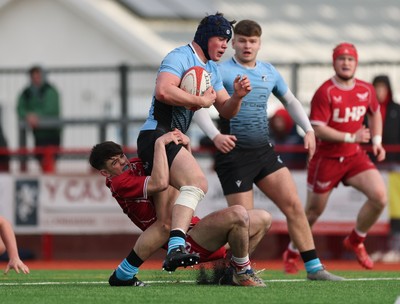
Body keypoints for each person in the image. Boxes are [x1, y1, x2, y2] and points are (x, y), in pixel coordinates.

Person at [194, 19, 342, 280]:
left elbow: (291, 100)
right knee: (244, 222)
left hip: (263, 151)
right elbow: (197, 106)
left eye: (252, 41)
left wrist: (308, 130)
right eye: (241, 40)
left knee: (294, 206)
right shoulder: (220, 71)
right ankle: (230, 269)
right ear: (233, 44)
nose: (247, 46)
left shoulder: (269, 71)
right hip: (234, 155)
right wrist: (215, 136)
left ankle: (314, 268)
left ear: (259, 44)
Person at [137, 12, 252, 272]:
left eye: (227, 40)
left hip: (172, 138)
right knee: (197, 182)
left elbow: (225, 109)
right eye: (221, 39)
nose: (225, 45)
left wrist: (239, 97)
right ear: (205, 36)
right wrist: (199, 101)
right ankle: (178, 247)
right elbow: (164, 90)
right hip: (156, 135)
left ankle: (123, 273)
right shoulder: (179, 56)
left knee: (165, 222)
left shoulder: (212, 68)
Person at [89, 133, 271, 287]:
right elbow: (161, 183)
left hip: (197, 232)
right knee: (237, 213)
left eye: (121, 156)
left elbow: (182, 176)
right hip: (187, 240)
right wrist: (160, 143)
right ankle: (241, 272)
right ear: (105, 173)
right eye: (114, 162)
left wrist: (185, 148)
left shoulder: (136, 164)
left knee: (263, 218)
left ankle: (232, 271)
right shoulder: (119, 183)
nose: (123, 162)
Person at [285, 42, 387, 270]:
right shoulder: (325, 91)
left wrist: (378, 141)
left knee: (380, 196)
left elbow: (376, 112)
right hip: (327, 159)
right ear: (334, 62)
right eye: (341, 59)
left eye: (350, 59)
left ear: (356, 63)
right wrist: (352, 137)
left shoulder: (366, 89)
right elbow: (318, 128)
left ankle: (356, 239)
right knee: (313, 212)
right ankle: (292, 252)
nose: (346, 63)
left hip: (354, 157)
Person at [369, 75, 400, 263]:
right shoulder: (366, 111)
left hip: (395, 168)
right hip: (373, 167)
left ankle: (395, 247)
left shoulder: (397, 111)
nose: (380, 92)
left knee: (395, 207)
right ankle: (377, 247)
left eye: (383, 88)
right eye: (377, 88)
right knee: (376, 206)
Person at [16, 65, 61, 172]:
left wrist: (34, 115)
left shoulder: (50, 90)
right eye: (34, 76)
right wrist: (27, 116)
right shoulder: (26, 92)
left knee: (51, 161)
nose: (36, 79)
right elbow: (20, 108)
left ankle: (50, 181)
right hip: (38, 134)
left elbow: (52, 109)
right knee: (41, 159)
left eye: (38, 76)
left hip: (52, 133)